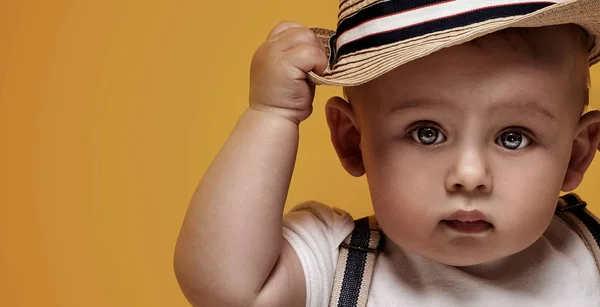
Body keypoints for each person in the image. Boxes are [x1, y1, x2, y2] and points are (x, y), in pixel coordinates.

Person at [174, 1, 600, 306]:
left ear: (576, 155)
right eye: (427, 133)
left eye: (513, 137)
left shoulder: (590, 259)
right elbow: (225, 291)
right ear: (351, 140)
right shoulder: (336, 264)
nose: (470, 175)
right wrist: (272, 115)